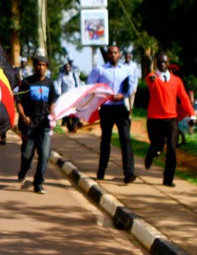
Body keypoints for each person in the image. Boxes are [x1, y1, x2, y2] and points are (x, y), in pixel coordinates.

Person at [144, 53, 197, 187]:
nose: (162, 64)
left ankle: (168, 179)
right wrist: (152, 78)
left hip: (171, 119)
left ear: (169, 64)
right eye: (160, 62)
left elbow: (184, 99)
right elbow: (150, 81)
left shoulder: (176, 81)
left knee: (172, 148)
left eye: (165, 62)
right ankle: (151, 154)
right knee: (157, 145)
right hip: (155, 120)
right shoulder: (152, 78)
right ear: (156, 63)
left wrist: (192, 114)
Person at [88, 45, 137, 183]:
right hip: (106, 108)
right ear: (107, 56)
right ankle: (102, 169)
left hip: (121, 108)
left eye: (115, 53)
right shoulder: (100, 70)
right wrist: (103, 95)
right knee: (106, 140)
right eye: (110, 53)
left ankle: (129, 173)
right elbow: (90, 86)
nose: (113, 55)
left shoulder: (126, 70)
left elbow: (131, 87)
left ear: (119, 54)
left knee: (126, 139)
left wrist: (123, 95)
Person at [16, 55, 57, 194]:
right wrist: (23, 116)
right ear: (35, 66)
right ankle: (23, 171)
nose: (41, 67)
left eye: (44, 65)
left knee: (45, 154)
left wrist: (53, 114)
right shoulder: (27, 82)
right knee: (27, 155)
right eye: (39, 65)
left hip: (44, 125)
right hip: (29, 125)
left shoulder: (50, 83)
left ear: (47, 67)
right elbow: (19, 102)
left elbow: (53, 101)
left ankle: (38, 183)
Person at [54, 60, 83, 132]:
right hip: (65, 97)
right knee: (66, 113)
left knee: (75, 112)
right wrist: (59, 94)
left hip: (74, 96)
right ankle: (68, 125)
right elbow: (58, 85)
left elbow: (78, 84)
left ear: (70, 67)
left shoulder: (74, 75)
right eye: (66, 66)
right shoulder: (61, 76)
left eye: (68, 66)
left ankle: (74, 125)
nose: (67, 68)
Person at [123, 51, 139, 117]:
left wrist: (135, 86)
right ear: (125, 57)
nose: (127, 58)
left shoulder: (134, 65)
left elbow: (136, 76)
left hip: (132, 86)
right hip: (125, 86)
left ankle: (130, 114)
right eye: (126, 57)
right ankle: (127, 114)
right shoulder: (122, 65)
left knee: (131, 102)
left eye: (129, 57)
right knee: (126, 103)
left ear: (131, 57)